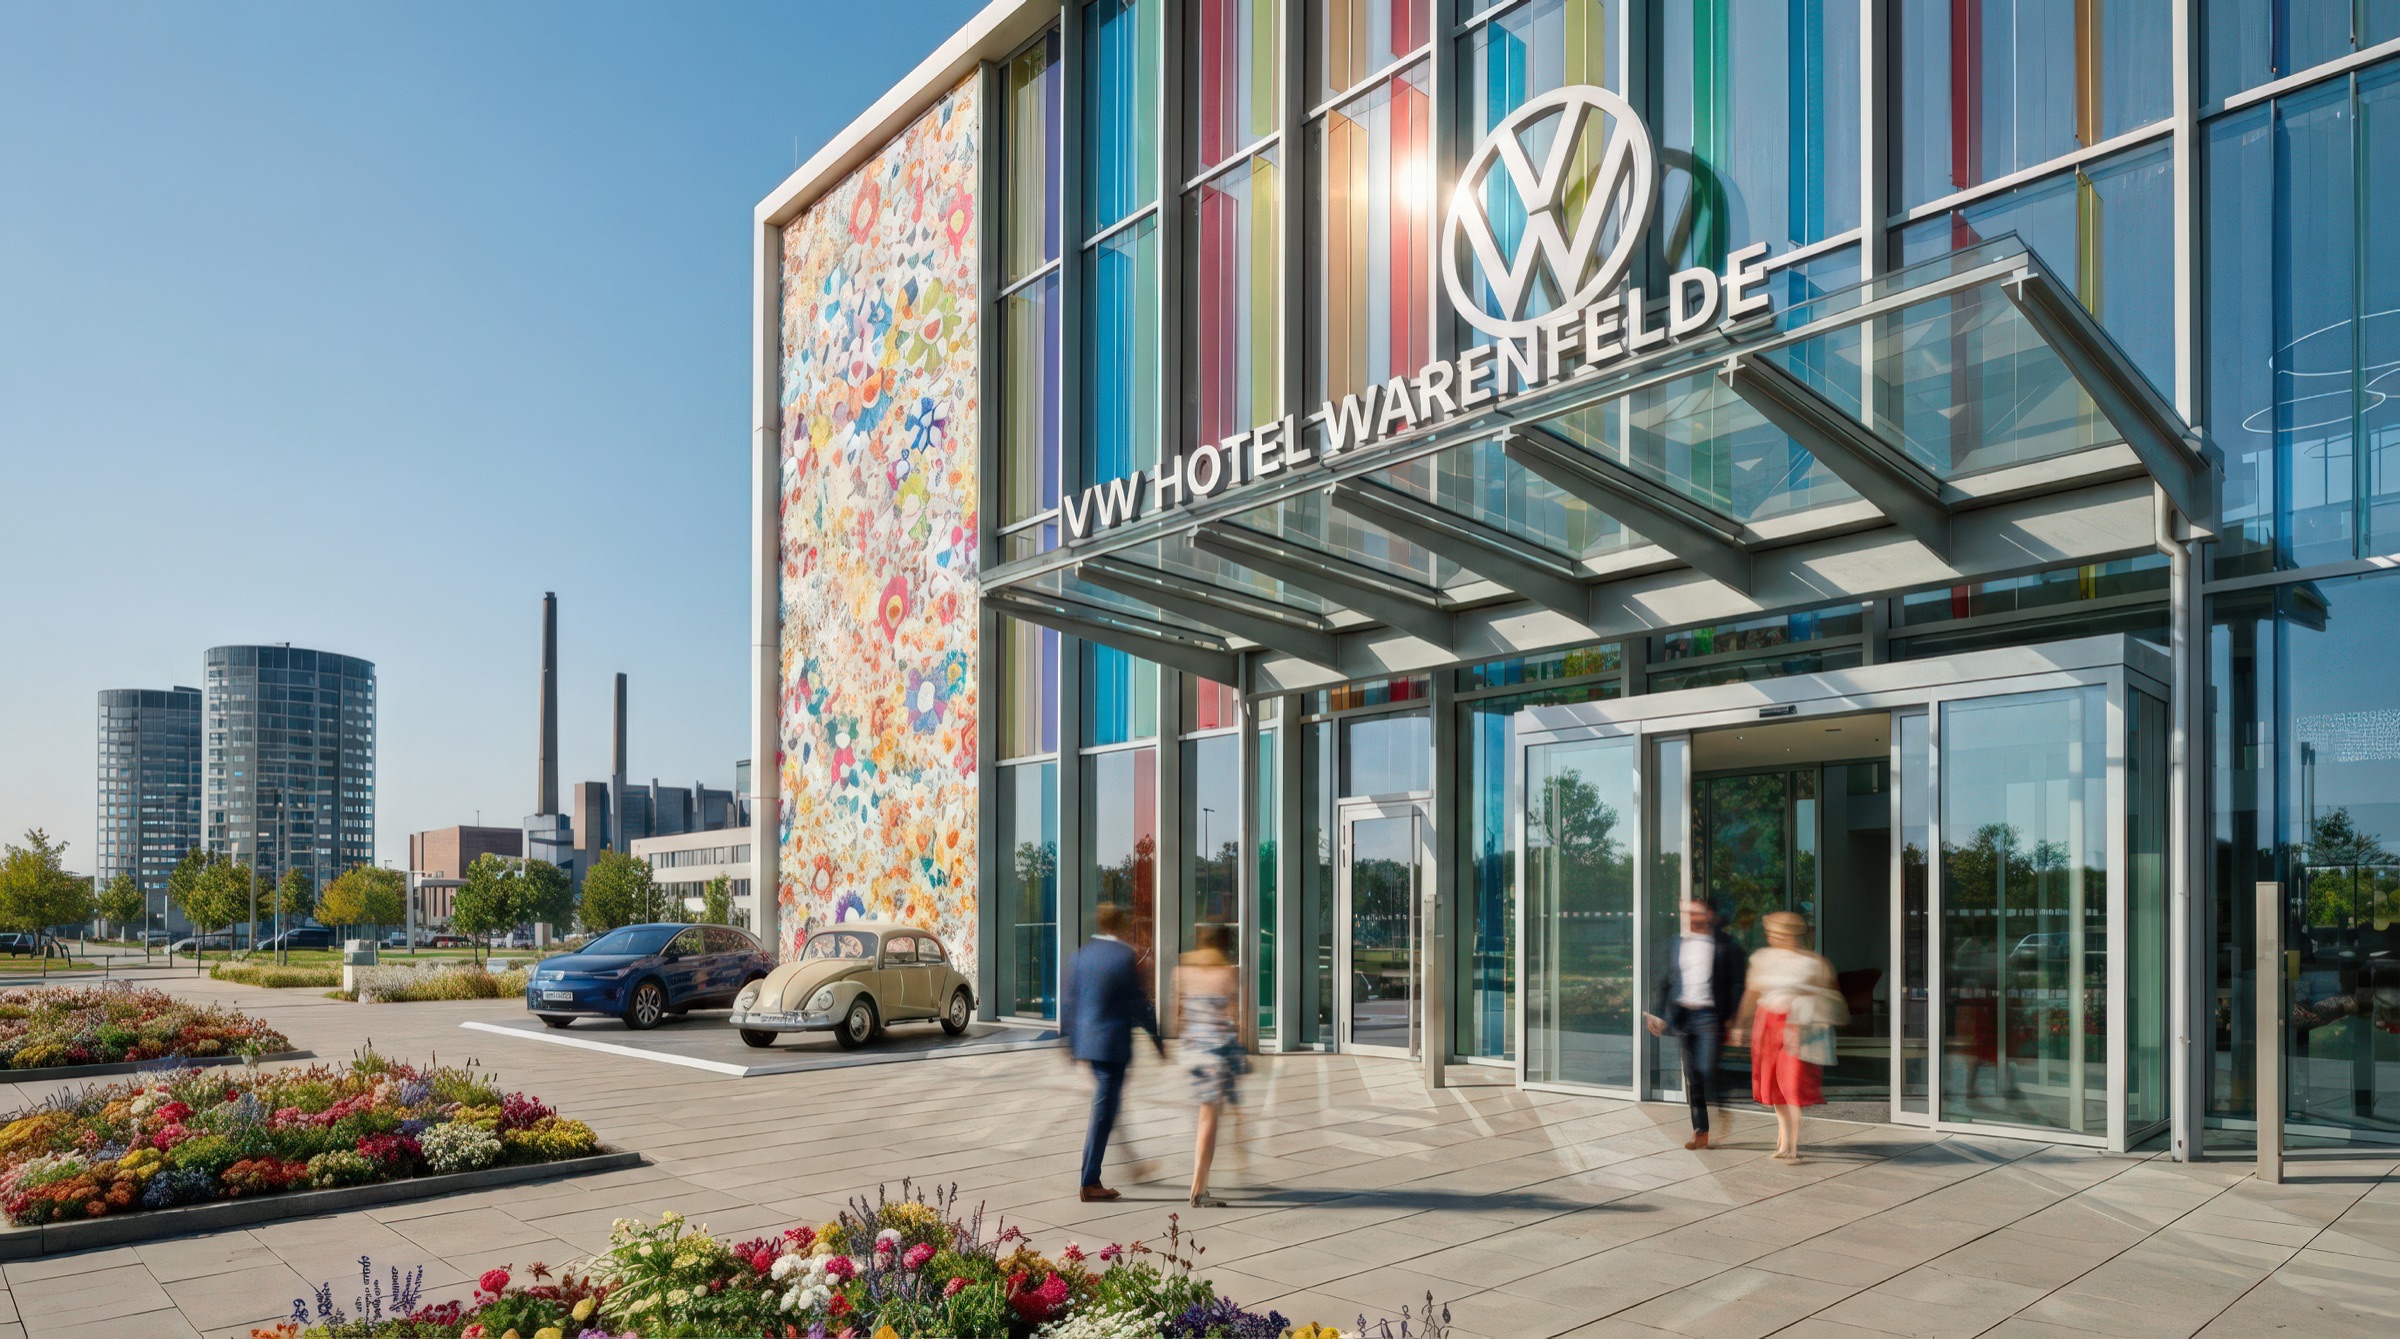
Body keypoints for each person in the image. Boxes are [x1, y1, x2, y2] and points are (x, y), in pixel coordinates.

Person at [1060, 903, 1161, 1202]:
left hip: (1088, 1043)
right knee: (1104, 1110)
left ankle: (1133, 1163)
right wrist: (1157, 1040)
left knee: (1109, 1105)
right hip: (1112, 1044)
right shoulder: (1124, 957)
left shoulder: (1081, 955)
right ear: (1122, 923)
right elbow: (1139, 1004)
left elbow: (1070, 1003)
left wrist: (1069, 1042)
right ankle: (1089, 1181)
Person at [1733, 910, 1844, 1162]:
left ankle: (1792, 1145)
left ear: (1792, 934)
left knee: (1791, 1083)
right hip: (1768, 1023)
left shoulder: (1812, 962)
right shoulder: (1763, 958)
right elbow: (1752, 993)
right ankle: (1783, 1140)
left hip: (1798, 1026)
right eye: (1771, 932)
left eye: (1778, 932)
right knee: (1773, 1087)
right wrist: (1740, 1025)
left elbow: (1829, 996)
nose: (1773, 936)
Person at [1645, 899, 1748, 1150]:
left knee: (1706, 1068)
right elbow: (1666, 981)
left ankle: (1722, 1104)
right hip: (1683, 1015)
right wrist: (1658, 1013)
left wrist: (1734, 1019)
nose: (1690, 916)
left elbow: (1737, 984)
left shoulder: (1725, 944)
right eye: (1687, 912)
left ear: (1709, 914)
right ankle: (1700, 1131)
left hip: (1709, 1016)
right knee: (1692, 1074)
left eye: (1696, 912)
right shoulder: (1676, 943)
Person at [1177, 923, 1245, 1208]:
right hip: (1215, 1055)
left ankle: (1200, 1186)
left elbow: (1178, 1017)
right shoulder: (1227, 973)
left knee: (1206, 1117)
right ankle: (1198, 1191)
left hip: (1193, 1053)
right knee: (1209, 1121)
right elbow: (1234, 1017)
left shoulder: (1183, 972)